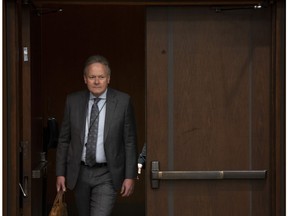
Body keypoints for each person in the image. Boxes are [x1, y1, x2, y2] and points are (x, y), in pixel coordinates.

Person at [55, 55, 138, 216]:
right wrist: (60, 172)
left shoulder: (122, 101)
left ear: (108, 79)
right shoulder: (73, 101)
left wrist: (130, 176)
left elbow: (130, 141)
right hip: (79, 173)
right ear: (85, 79)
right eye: (92, 77)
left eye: (101, 77)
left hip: (107, 173)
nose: (97, 81)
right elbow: (64, 140)